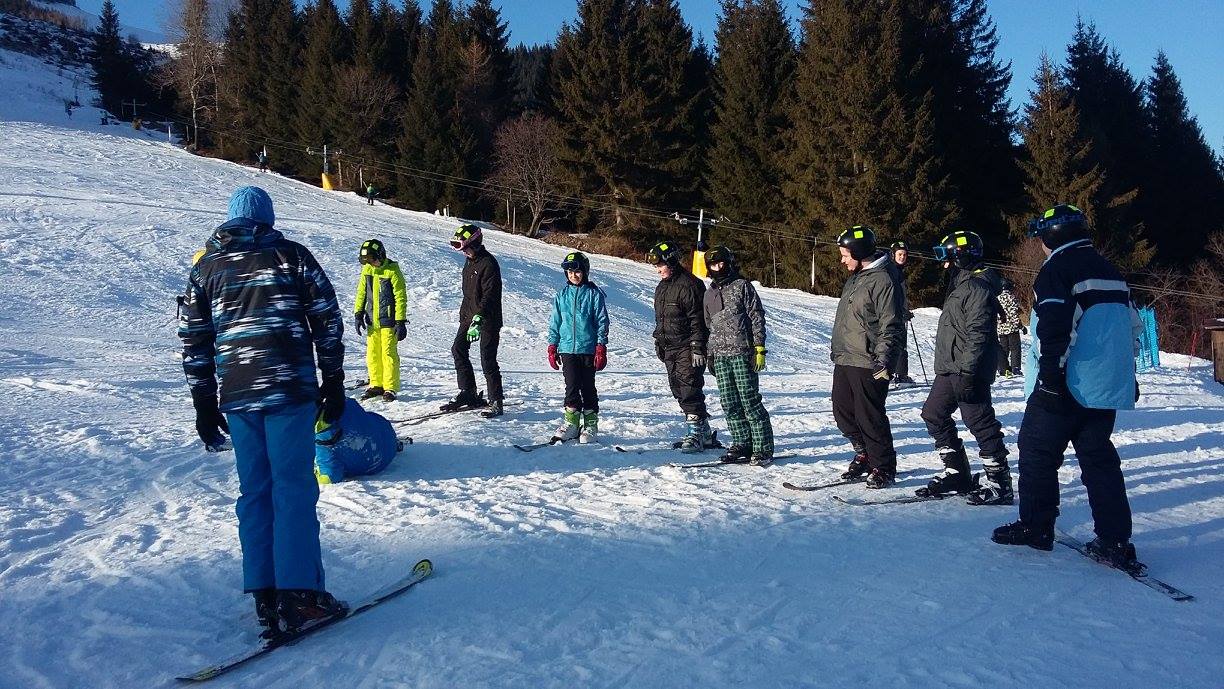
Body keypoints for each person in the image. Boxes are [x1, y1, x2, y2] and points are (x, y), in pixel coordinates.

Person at [178, 186, 347, 637]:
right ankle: (299, 595)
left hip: (237, 395)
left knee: (255, 490)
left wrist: (203, 400)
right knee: (291, 486)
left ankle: (266, 595)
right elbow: (326, 320)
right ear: (267, 220)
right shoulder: (292, 257)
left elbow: (194, 337)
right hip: (288, 390)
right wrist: (333, 380)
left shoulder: (206, 268)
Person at [993, 204, 1143, 568]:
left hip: (1066, 384)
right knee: (1098, 459)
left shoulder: (1058, 270)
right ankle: (1115, 539)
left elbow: (1055, 330)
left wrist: (1050, 380)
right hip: (1103, 389)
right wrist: (1124, 375)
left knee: (1036, 451)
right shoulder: (1110, 271)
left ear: (1052, 234)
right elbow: (1132, 330)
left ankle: (1036, 526)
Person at [916, 230, 1012, 504]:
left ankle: (1000, 482)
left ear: (962, 257)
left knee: (979, 421)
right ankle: (956, 472)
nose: (944, 263)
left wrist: (969, 372)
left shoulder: (978, 287)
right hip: (950, 366)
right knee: (933, 414)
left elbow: (978, 333)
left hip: (969, 368)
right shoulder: (962, 283)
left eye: (947, 257)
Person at [831, 226, 906, 488]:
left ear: (859, 252)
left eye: (845, 255)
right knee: (842, 411)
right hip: (846, 356)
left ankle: (883, 466)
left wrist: (884, 359)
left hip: (869, 359)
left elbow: (891, 324)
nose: (842, 260)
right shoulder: (857, 276)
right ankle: (864, 454)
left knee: (870, 416)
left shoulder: (883, 279)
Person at [703, 246, 775, 466]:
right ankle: (742, 442)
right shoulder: (709, 293)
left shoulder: (742, 286)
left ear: (729, 263)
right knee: (729, 402)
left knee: (749, 400)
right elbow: (709, 326)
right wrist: (710, 354)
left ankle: (762, 447)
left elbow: (756, 317)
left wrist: (759, 348)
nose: (718, 268)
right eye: (713, 265)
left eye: (721, 263)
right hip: (720, 356)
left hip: (742, 352)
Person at [646, 241, 714, 453]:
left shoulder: (690, 285)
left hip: (687, 346)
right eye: (656, 266)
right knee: (677, 388)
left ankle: (695, 433)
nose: (658, 270)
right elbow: (661, 319)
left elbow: (698, 319)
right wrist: (659, 341)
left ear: (672, 261)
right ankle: (704, 432)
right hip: (670, 347)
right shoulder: (662, 287)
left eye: (661, 265)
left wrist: (698, 346)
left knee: (689, 388)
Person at [546, 252, 610, 443]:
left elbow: (602, 321)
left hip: (588, 348)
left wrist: (600, 346)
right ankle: (572, 423)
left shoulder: (593, 294)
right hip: (567, 349)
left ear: (585, 272)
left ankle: (590, 424)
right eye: (570, 272)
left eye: (577, 272)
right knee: (572, 386)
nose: (574, 275)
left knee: (588, 386)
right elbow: (555, 322)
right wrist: (552, 346)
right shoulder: (562, 295)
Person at [442, 224, 505, 418]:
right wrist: (467, 316)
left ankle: (496, 401)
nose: (464, 253)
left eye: (466, 248)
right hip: (469, 316)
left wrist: (479, 318)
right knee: (458, 349)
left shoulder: (488, 263)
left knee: (487, 359)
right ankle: (468, 391)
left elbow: (489, 296)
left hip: (488, 318)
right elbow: (469, 295)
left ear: (476, 244)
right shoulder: (469, 262)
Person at [354, 239, 407, 402]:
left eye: (373, 260)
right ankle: (376, 384)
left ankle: (390, 387)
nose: (371, 264)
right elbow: (362, 292)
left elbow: (400, 297)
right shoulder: (367, 270)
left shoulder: (392, 271)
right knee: (373, 353)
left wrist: (400, 321)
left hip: (388, 320)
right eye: (367, 261)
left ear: (381, 256)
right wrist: (358, 313)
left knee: (388, 353)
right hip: (372, 320)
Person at [314, 398, 402, 484]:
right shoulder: (344, 403)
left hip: (377, 462)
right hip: (384, 431)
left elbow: (329, 477)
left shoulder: (323, 443)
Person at [889, 241, 916, 387]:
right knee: (897, 344)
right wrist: (901, 311)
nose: (902, 257)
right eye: (899, 254)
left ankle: (898, 374)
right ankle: (899, 375)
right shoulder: (891, 271)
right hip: (894, 315)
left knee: (899, 343)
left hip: (899, 313)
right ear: (893, 255)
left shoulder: (898, 271)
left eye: (905, 255)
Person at [996, 277, 1025, 378]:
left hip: (1001, 329)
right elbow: (1014, 314)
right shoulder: (1011, 297)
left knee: (1003, 349)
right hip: (1012, 328)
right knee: (1015, 348)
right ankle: (1015, 368)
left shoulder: (997, 297)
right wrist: (1021, 327)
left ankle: (1003, 369)